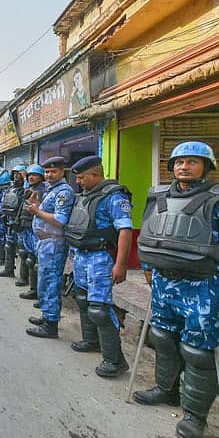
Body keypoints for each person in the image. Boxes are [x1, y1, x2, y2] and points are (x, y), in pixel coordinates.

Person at [133, 141, 219, 438]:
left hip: (201, 286)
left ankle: (195, 416)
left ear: (207, 167)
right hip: (163, 282)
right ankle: (166, 390)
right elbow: (150, 232)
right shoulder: (157, 195)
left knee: (197, 352)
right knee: (163, 338)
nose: (184, 166)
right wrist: (147, 266)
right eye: (179, 162)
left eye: (193, 161)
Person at [65, 156, 133, 378]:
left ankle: (115, 361)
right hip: (83, 256)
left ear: (95, 175)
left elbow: (125, 230)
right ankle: (90, 340)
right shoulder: (85, 196)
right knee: (83, 299)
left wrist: (121, 264)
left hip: (100, 258)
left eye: (83, 178)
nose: (79, 182)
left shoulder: (113, 196)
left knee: (100, 309)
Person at [26, 157, 75, 339]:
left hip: (54, 243)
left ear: (63, 172)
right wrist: (38, 206)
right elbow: (49, 213)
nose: (49, 175)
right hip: (45, 242)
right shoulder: (51, 191)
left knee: (51, 282)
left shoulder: (64, 192)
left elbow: (60, 220)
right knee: (44, 280)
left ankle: (51, 325)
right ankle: (47, 315)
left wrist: (37, 212)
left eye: (53, 171)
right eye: (46, 172)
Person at [16, 165, 45, 298]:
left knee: (36, 262)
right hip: (26, 227)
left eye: (35, 175)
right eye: (29, 175)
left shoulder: (44, 191)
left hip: (37, 230)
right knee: (28, 258)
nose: (32, 177)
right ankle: (32, 288)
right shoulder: (29, 189)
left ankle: (38, 292)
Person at [0, 165, 26, 277]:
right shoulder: (11, 188)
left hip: (21, 224)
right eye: (14, 174)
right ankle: (8, 269)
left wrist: (25, 178)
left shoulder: (26, 189)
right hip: (10, 221)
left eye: (19, 174)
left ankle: (24, 278)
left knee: (24, 252)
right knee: (9, 245)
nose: (16, 177)